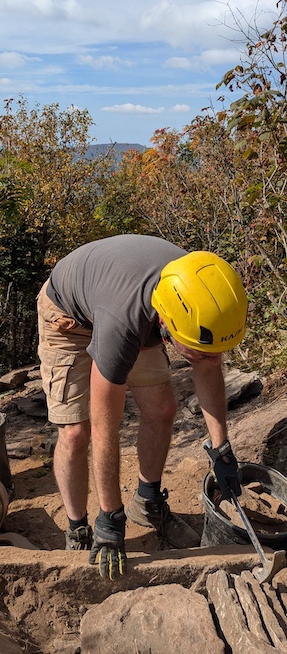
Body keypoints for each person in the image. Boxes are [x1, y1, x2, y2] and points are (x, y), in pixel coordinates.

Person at [37, 234, 247, 579]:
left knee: (162, 409)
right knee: (77, 432)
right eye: (197, 351)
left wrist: (222, 448)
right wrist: (110, 516)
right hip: (68, 318)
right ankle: (79, 528)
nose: (209, 360)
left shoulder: (197, 294)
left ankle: (147, 503)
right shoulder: (124, 325)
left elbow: (208, 366)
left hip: (127, 304)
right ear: (167, 327)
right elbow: (108, 428)